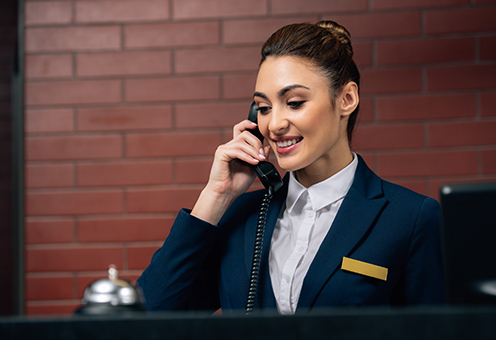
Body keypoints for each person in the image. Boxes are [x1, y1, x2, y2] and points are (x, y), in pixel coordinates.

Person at [137, 21, 445, 315]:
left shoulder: (411, 218)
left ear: (347, 99)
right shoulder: (242, 218)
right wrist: (215, 196)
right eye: (264, 108)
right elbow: (147, 315)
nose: (274, 124)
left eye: (294, 102)